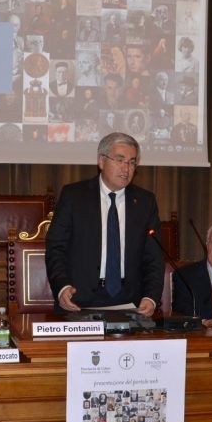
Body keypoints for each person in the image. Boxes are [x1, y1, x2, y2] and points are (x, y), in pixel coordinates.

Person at [46, 132, 163, 316]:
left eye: (132, 162)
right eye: (120, 160)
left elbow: (154, 257)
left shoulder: (145, 202)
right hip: (79, 300)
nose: (126, 168)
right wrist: (62, 287)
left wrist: (151, 297)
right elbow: (56, 247)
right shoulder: (74, 196)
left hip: (131, 302)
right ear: (101, 161)